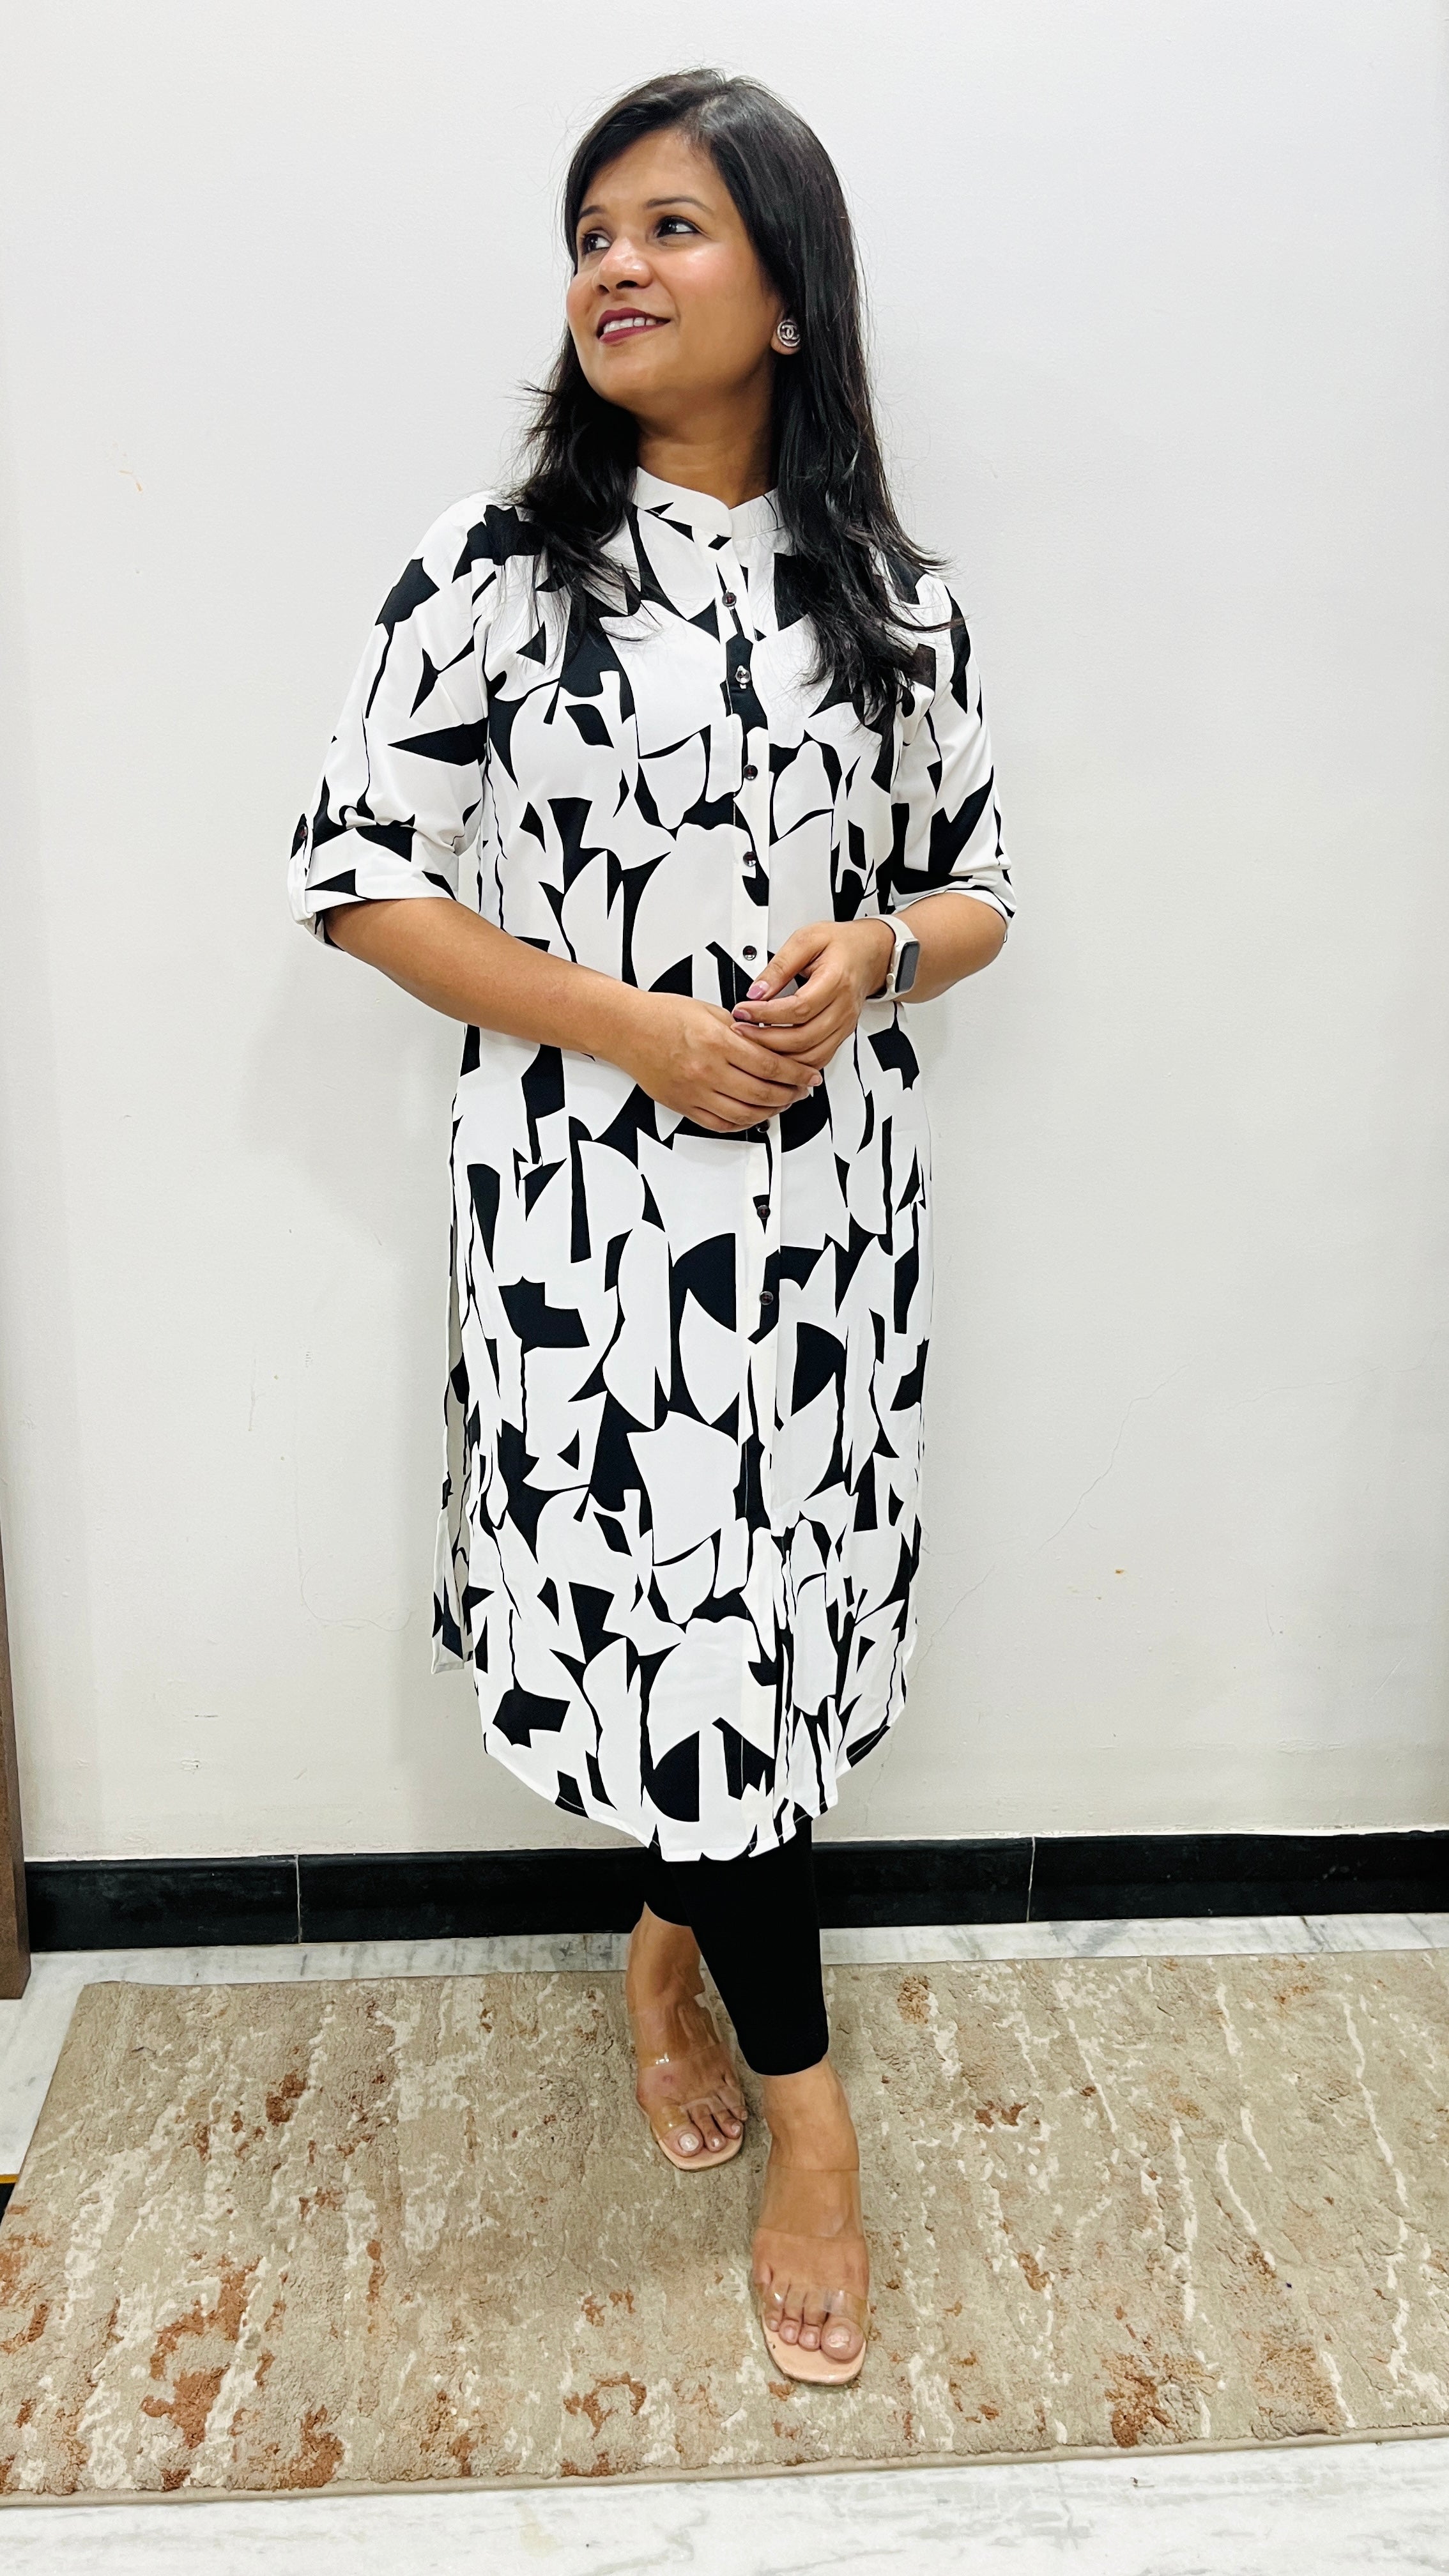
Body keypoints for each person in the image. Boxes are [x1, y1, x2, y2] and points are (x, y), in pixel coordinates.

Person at [289, 66, 1013, 2386]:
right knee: (677, 1633)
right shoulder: (491, 570)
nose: (614, 264)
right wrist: (638, 1031)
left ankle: (665, 1944)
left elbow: (980, 886)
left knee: (763, 1645)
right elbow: (357, 879)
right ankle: (815, 2130)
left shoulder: (893, 598)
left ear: (788, 294)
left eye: (671, 226)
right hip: (590, 1221)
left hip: (829, 1225)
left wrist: (870, 956)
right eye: (591, 230)